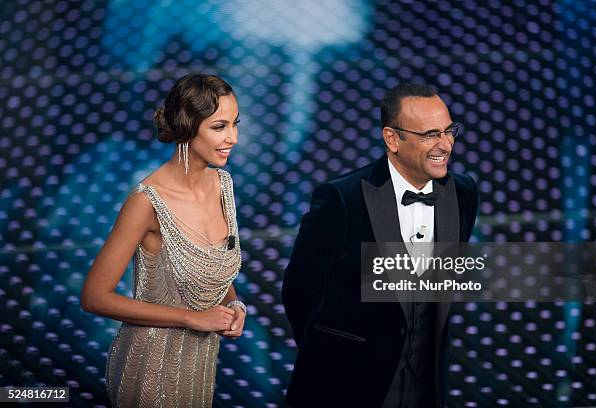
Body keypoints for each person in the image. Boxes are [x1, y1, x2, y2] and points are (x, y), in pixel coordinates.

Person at [282, 83, 479, 407]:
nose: (446, 144)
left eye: (449, 131)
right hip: (343, 388)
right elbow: (298, 290)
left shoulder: (463, 193)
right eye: (431, 134)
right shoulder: (342, 199)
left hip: (424, 390)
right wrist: (331, 356)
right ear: (392, 138)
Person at [81, 73, 247, 407]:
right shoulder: (147, 201)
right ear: (187, 128)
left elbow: (213, 264)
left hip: (200, 367)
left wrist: (234, 304)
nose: (233, 137)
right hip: (149, 371)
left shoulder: (223, 185)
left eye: (235, 124)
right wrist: (192, 318)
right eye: (219, 127)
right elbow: (94, 297)